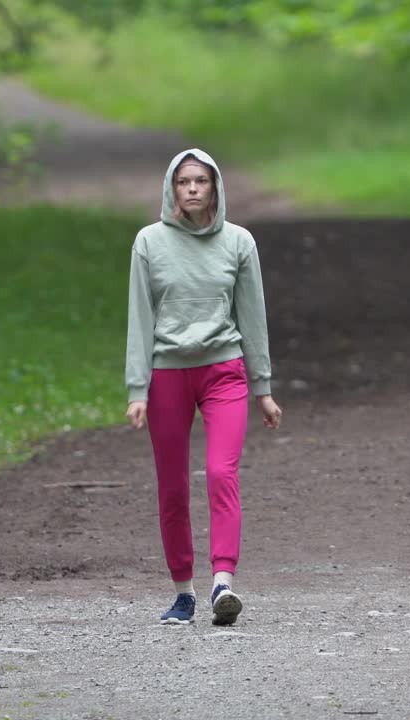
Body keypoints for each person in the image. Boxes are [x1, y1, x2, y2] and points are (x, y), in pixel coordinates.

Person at [125, 148, 282, 626]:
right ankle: (183, 592)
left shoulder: (239, 242)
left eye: (201, 181)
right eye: (183, 181)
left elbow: (252, 317)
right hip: (168, 373)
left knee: (220, 473)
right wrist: (137, 389)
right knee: (172, 485)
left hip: (224, 370)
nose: (192, 189)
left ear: (215, 188)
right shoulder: (149, 242)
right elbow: (140, 317)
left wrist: (263, 387)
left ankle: (222, 583)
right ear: (171, 188)